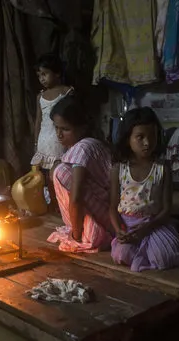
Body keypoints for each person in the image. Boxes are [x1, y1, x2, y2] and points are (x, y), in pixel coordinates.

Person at [110, 107, 179, 272]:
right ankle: (159, 246)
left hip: (154, 224)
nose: (147, 142)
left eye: (152, 136)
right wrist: (119, 231)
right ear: (128, 139)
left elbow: (167, 209)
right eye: (140, 137)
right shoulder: (119, 169)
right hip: (128, 226)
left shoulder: (162, 168)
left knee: (164, 257)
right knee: (121, 255)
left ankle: (173, 240)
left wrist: (147, 228)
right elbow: (112, 208)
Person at [46, 96, 113, 252]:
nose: (59, 134)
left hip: (108, 218)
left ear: (82, 128)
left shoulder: (82, 148)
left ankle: (85, 232)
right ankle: (82, 228)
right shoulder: (89, 143)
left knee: (60, 171)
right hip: (109, 212)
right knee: (57, 168)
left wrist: (75, 237)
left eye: (65, 129)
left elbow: (76, 198)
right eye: (56, 128)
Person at [31, 53, 74, 212]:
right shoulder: (40, 97)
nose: (41, 78)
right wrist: (36, 143)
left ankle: (65, 204)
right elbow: (38, 121)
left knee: (59, 173)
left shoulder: (67, 92)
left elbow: (73, 118)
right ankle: (54, 204)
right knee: (47, 176)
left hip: (60, 140)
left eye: (45, 73)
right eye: (39, 75)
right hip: (44, 140)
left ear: (57, 73)